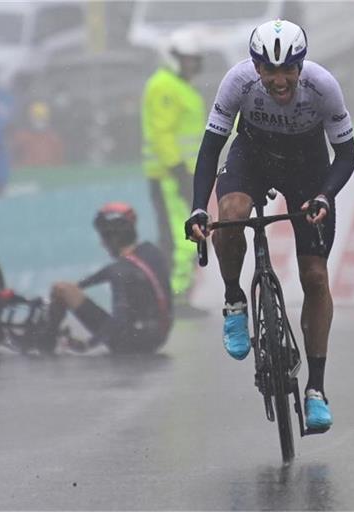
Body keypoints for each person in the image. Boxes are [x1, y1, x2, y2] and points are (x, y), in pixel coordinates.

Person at [184, 19, 354, 432]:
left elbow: (347, 156)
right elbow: (211, 149)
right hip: (253, 153)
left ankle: (315, 389)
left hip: (307, 165)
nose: (280, 81)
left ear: (301, 66)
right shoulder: (237, 82)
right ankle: (234, 301)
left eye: (288, 71)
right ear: (256, 67)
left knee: (315, 277)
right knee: (229, 215)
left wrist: (323, 196)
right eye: (270, 71)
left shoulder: (323, 86)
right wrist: (197, 208)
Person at [141, 27, 208, 316]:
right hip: (171, 176)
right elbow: (162, 133)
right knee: (185, 237)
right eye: (187, 60)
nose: (191, 65)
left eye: (194, 61)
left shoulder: (179, 86)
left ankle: (172, 297)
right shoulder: (164, 86)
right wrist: (179, 171)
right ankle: (175, 298)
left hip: (183, 173)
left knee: (178, 236)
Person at [48, 202, 172, 355]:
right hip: (159, 336)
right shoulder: (151, 251)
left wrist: (87, 345)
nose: (102, 243)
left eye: (103, 237)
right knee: (66, 289)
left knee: (61, 288)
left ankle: (45, 340)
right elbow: (106, 273)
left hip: (131, 343)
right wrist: (80, 285)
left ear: (113, 237)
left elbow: (119, 321)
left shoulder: (120, 272)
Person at [10, 101, 65, 168]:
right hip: (28, 173)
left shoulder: (53, 138)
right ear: (30, 119)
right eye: (36, 118)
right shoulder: (22, 137)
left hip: (48, 173)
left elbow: (59, 159)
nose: (39, 122)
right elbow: (13, 156)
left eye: (42, 119)